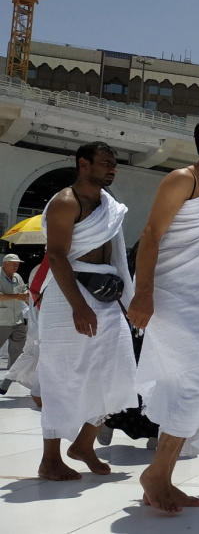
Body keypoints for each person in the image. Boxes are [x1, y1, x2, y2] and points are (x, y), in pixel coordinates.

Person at [128, 118, 199, 512]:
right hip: (171, 302)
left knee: (188, 390)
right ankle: (155, 474)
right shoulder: (182, 180)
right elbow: (150, 235)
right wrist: (143, 293)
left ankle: (162, 478)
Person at [38, 141, 138, 481]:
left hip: (107, 296)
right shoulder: (66, 203)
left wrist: (130, 299)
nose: (112, 169)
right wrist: (78, 306)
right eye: (105, 163)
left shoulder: (109, 205)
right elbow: (56, 255)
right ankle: (50, 459)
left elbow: (115, 257)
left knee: (119, 371)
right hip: (70, 296)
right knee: (61, 377)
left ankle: (83, 444)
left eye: (114, 164)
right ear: (84, 164)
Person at [0, 254, 28, 392]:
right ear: (5, 263)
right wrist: (19, 297)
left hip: (17, 320)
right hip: (2, 320)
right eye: (14, 263)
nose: (16, 266)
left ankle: (12, 377)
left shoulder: (17, 277)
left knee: (18, 350)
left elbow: (24, 292)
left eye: (18, 263)